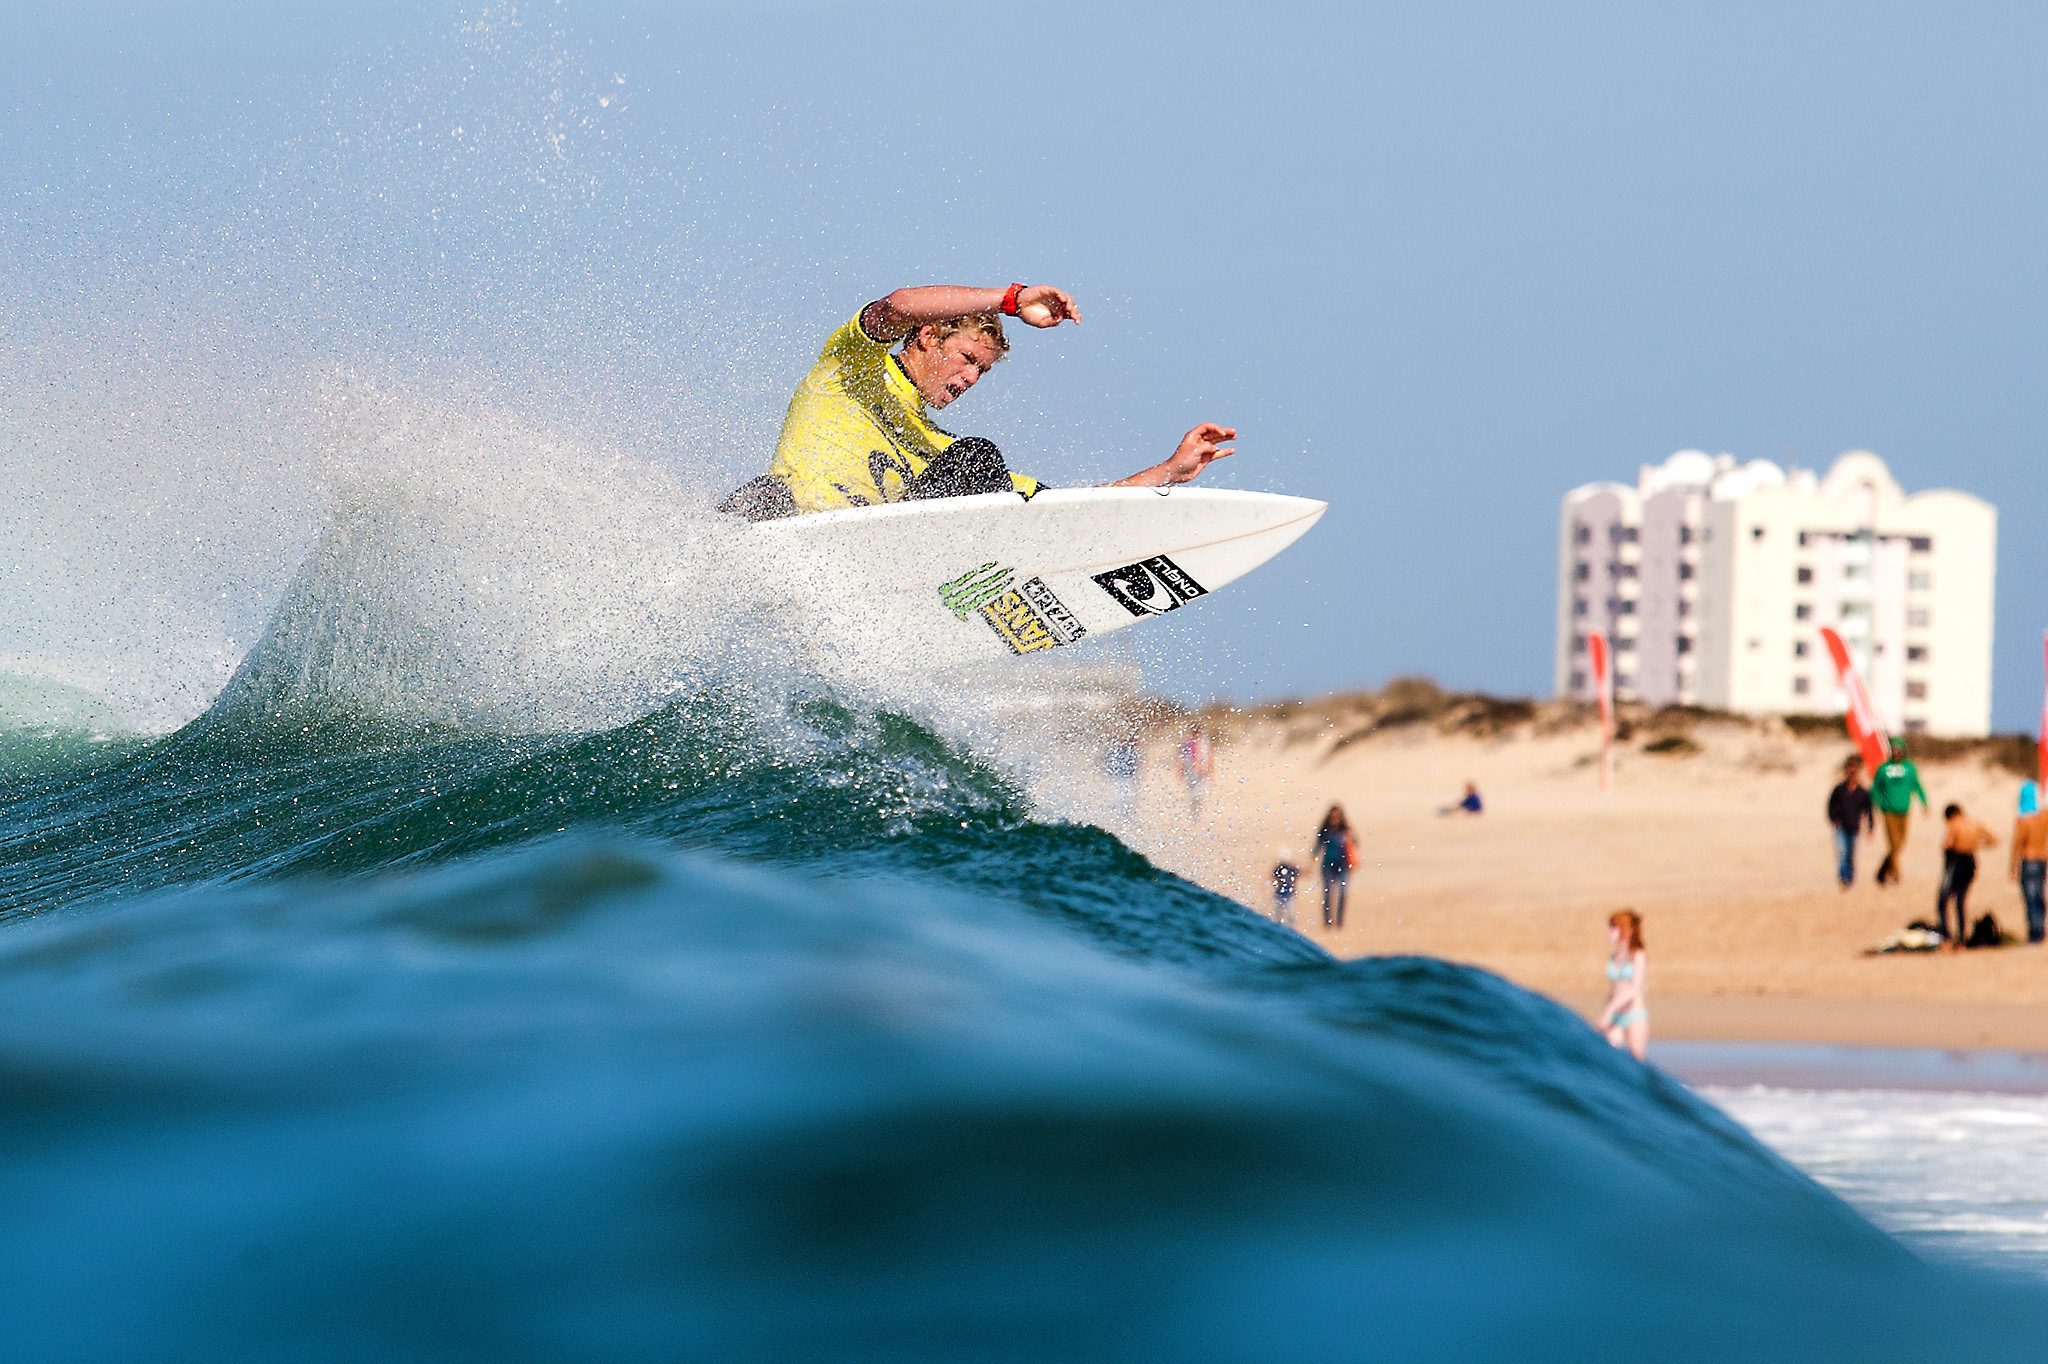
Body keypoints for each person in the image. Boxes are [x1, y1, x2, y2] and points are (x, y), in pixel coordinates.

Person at [719, 283, 1238, 519]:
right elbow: (896, 304)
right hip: (786, 526)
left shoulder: (939, 452)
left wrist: (1169, 470)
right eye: (967, 358)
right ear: (926, 337)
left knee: (978, 463)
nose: (971, 378)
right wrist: (1009, 301)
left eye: (982, 371)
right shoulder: (850, 368)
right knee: (759, 497)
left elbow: (1064, 509)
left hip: (870, 555)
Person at [1869, 738, 1929, 886]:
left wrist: (1924, 802)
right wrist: (1876, 803)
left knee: (1901, 843)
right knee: (1894, 842)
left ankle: (1883, 868)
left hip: (1904, 809)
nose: (1896, 752)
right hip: (1888, 810)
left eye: (1898, 750)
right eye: (1893, 750)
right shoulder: (1883, 768)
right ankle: (1896, 873)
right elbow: (1875, 788)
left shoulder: (1909, 768)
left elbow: (1916, 785)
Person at [1936, 802, 1997, 948]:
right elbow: (1993, 840)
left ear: (1950, 815)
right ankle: (1962, 937)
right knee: (1960, 901)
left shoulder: (1953, 825)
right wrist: (1975, 845)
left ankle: (1947, 935)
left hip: (1957, 862)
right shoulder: (1975, 823)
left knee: (1943, 901)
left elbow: (1947, 844)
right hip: (1971, 861)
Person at [1598, 909, 1649, 1061]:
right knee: (1610, 1059)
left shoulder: (1638, 955)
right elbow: (1614, 989)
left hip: (1634, 1015)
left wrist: (1610, 1009)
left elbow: (1635, 988)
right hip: (1615, 1017)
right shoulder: (1614, 957)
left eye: (1613, 927)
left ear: (1623, 929)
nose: (1609, 932)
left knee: (1637, 1061)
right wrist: (1606, 1011)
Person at [1824, 755, 1875, 890]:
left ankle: (1850, 876)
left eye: (1854, 769)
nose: (1852, 771)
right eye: (1849, 768)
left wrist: (1870, 827)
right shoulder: (1839, 789)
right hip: (1840, 826)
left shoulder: (1863, 792)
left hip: (1854, 827)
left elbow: (1869, 810)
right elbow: (1831, 805)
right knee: (1841, 852)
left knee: (1850, 853)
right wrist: (1833, 818)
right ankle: (1844, 878)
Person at [2011, 782, 2048, 945]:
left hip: (2028, 859)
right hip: (2042, 859)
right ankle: (2040, 927)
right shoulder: (2043, 817)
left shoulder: (2023, 820)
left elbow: (2017, 844)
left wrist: (2012, 867)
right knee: (2039, 895)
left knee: (2030, 897)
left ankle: (2035, 932)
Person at [1313, 805, 1358, 930]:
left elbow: (1356, 843)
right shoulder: (1325, 831)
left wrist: (1349, 836)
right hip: (1328, 866)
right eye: (1333, 816)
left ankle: (1339, 921)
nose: (1335, 818)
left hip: (1343, 866)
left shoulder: (1345, 830)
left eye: (1337, 816)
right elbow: (1317, 847)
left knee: (1343, 893)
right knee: (1328, 894)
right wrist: (1310, 864)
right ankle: (1327, 921)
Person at [1177, 724, 1214, 816]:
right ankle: (1194, 813)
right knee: (1194, 792)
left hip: (1201, 771)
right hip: (1191, 771)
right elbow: (1183, 758)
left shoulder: (1203, 743)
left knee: (1199, 792)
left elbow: (1209, 756)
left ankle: (1196, 812)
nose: (1197, 735)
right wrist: (1180, 769)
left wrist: (1210, 769)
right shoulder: (1189, 743)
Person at [1271, 850, 1301, 927]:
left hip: (1289, 895)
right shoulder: (1279, 869)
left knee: (1290, 915)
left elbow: (1299, 874)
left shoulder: (1292, 869)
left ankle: (1290, 928)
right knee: (1279, 914)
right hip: (1280, 894)